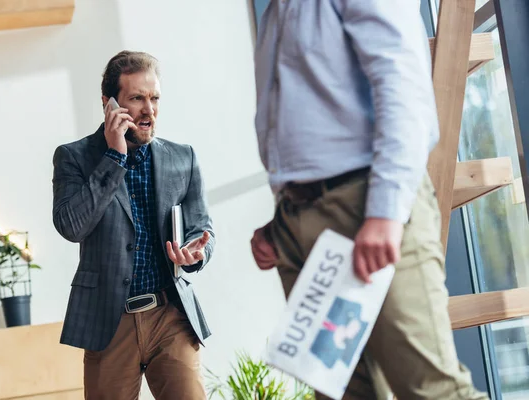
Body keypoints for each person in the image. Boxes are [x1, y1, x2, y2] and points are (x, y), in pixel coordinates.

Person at [250, 2, 488, 399]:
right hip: (300, 222)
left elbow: (404, 88)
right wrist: (284, 219)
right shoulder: (276, 10)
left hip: (367, 205)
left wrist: (385, 213)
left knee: (433, 392)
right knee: (343, 394)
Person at [52, 50, 214, 400]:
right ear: (108, 104)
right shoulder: (74, 157)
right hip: (110, 321)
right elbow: (70, 226)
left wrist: (195, 252)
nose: (149, 110)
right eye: (136, 98)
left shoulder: (182, 157)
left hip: (170, 314)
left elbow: (202, 227)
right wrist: (114, 157)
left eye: (154, 97)